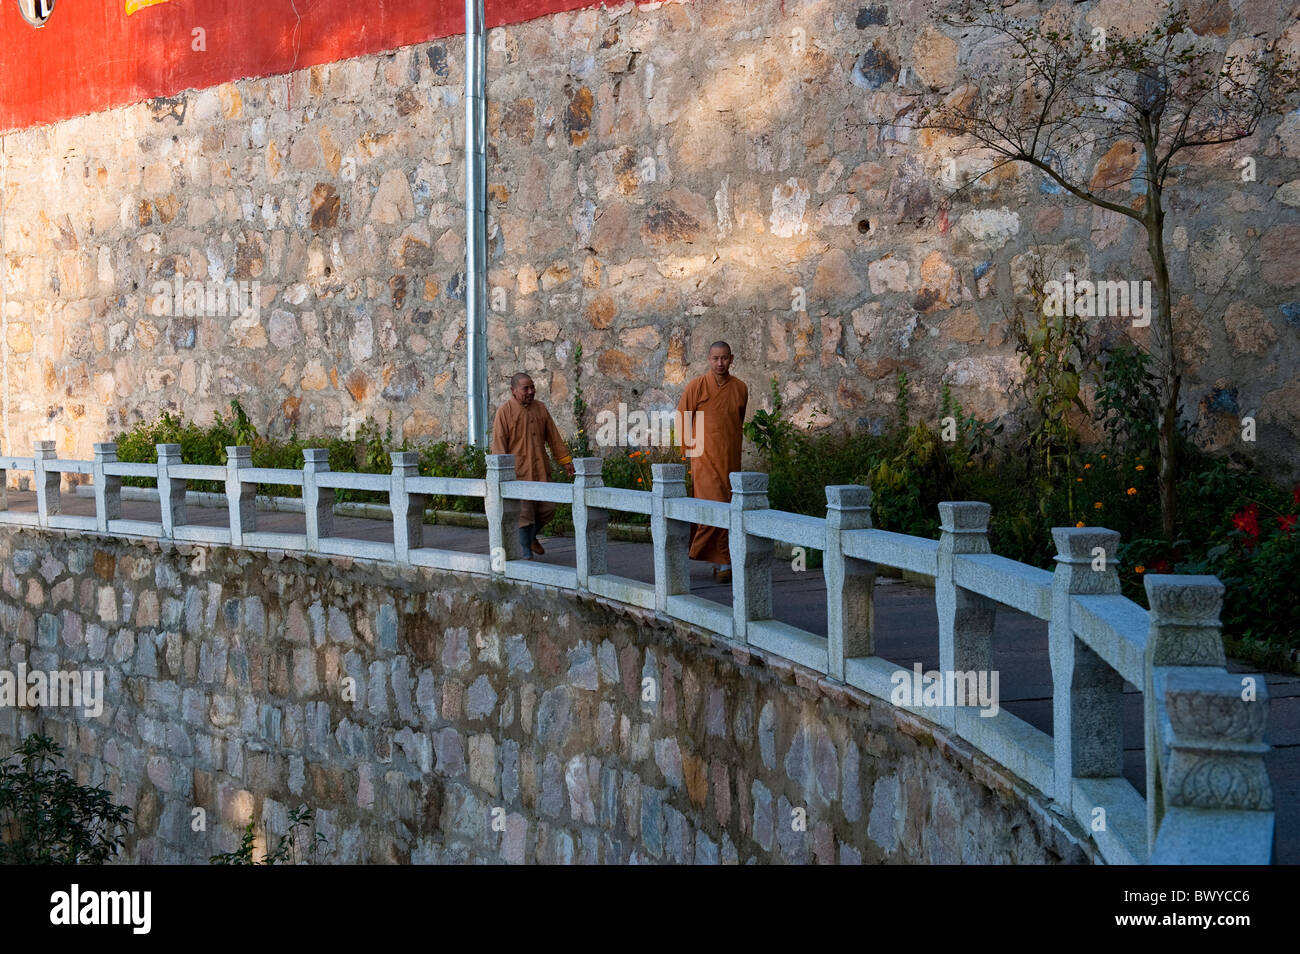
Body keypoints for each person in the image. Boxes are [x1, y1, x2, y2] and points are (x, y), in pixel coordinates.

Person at [676, 341, 748, 583]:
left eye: (725, 358)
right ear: (708, 359)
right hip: (704, 458)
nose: (720, 363)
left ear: (732, 358)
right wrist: (688, 453)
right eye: (716, 358)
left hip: (729, 459)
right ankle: (719, 559)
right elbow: (682, 417)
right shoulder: (696, 386)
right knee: (712, 506)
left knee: (728, 506)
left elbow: (737, 422)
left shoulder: (740, 388)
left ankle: (722, 562)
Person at [490, 372, 574, 557]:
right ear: (513, 391)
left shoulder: (541, 408)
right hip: (518, 474)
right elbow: (498, 444)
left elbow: (554, 437)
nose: (530, 391)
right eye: (525, 388)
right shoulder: (505, 412)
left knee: (548, 509)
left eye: (532, 387)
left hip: (541, 470)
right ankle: (526, 553)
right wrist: (500, 474)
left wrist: (565, 461)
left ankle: (531, 538)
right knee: (524, 515)